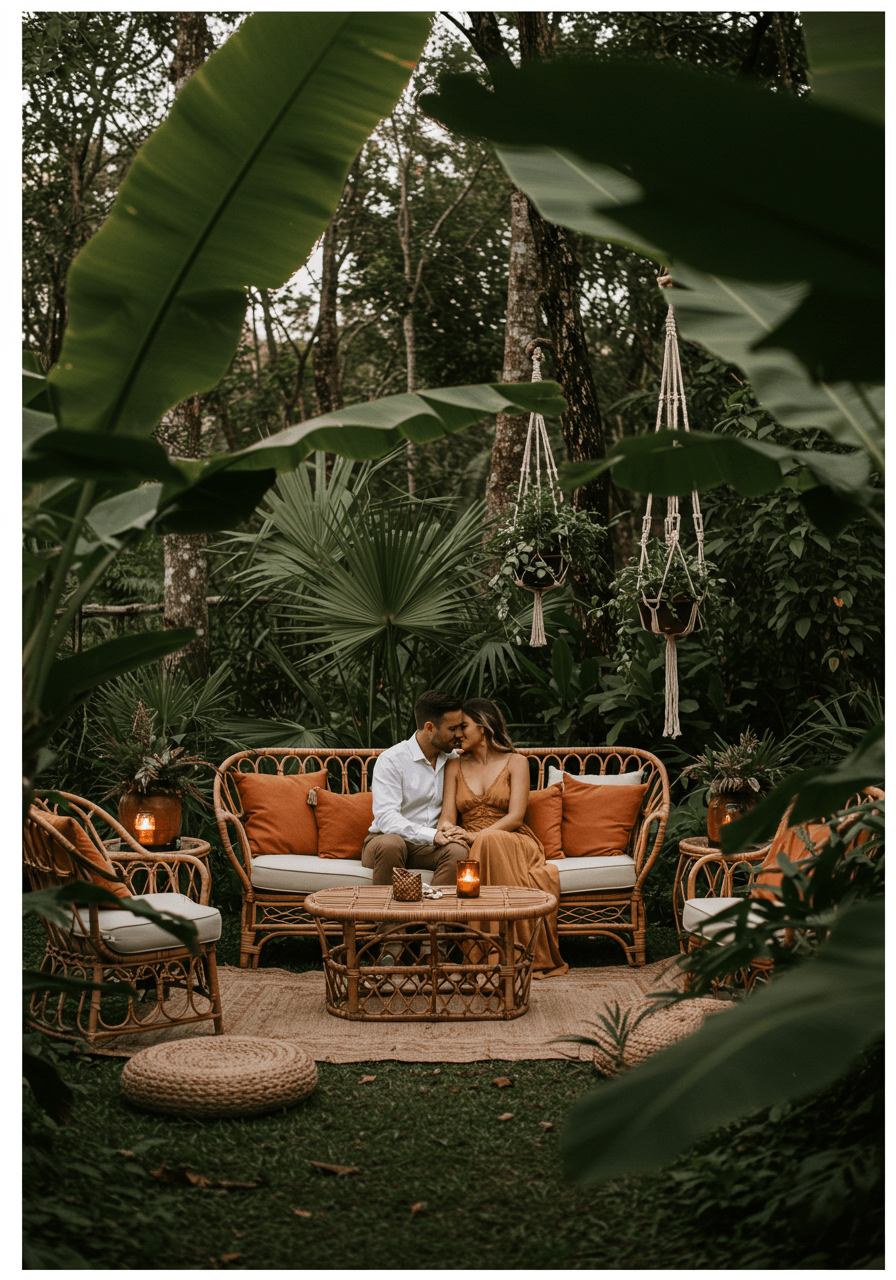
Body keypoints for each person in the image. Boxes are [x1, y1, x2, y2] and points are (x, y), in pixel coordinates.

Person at [437, 697, 568, 978]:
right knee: (483, 844)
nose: (457, 733)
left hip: (514, 839)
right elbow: (447, 817)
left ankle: (497, 954)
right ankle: (487, 952)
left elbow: (516, 817)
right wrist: (446, 833)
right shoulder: (454, 766)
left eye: (464, 726)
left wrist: (474, 836)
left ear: (483, 727)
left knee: (488, 841)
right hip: (477, 842)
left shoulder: (516, 762)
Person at [362, 690, 470, 889]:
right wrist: (430, 835)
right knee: (392, 844)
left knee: (458, 852)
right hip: (385, 843)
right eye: (453, 728)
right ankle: (388, 920)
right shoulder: (392, 760)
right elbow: (386, 818)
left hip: (429, 847)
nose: (460, 735)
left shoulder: (453, 760)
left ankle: (432, 918)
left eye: (461, 727)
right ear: (430, 727)